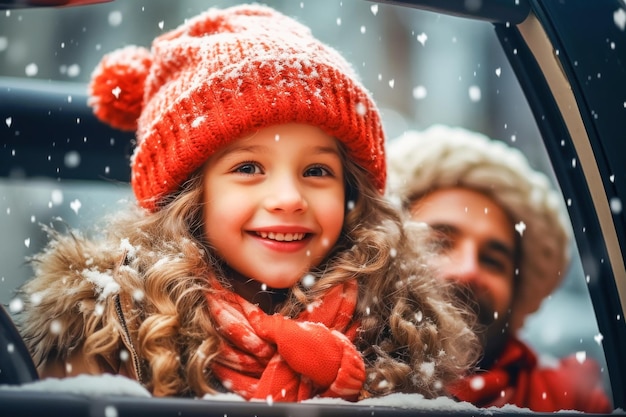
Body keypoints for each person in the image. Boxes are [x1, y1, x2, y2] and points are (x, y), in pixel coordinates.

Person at [15, 5, 480, 403]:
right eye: (248, 168)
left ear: (351, 195)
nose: (287, 199)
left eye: (317, 171)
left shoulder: (400, 333)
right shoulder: (109, 332)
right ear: (189, 196)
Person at [386, 124, 613, 413]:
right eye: (440, 244)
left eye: (493, 261)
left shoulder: (569, 401)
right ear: (384, 253)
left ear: (517, 293)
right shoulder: (325, 372)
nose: (468, 270)